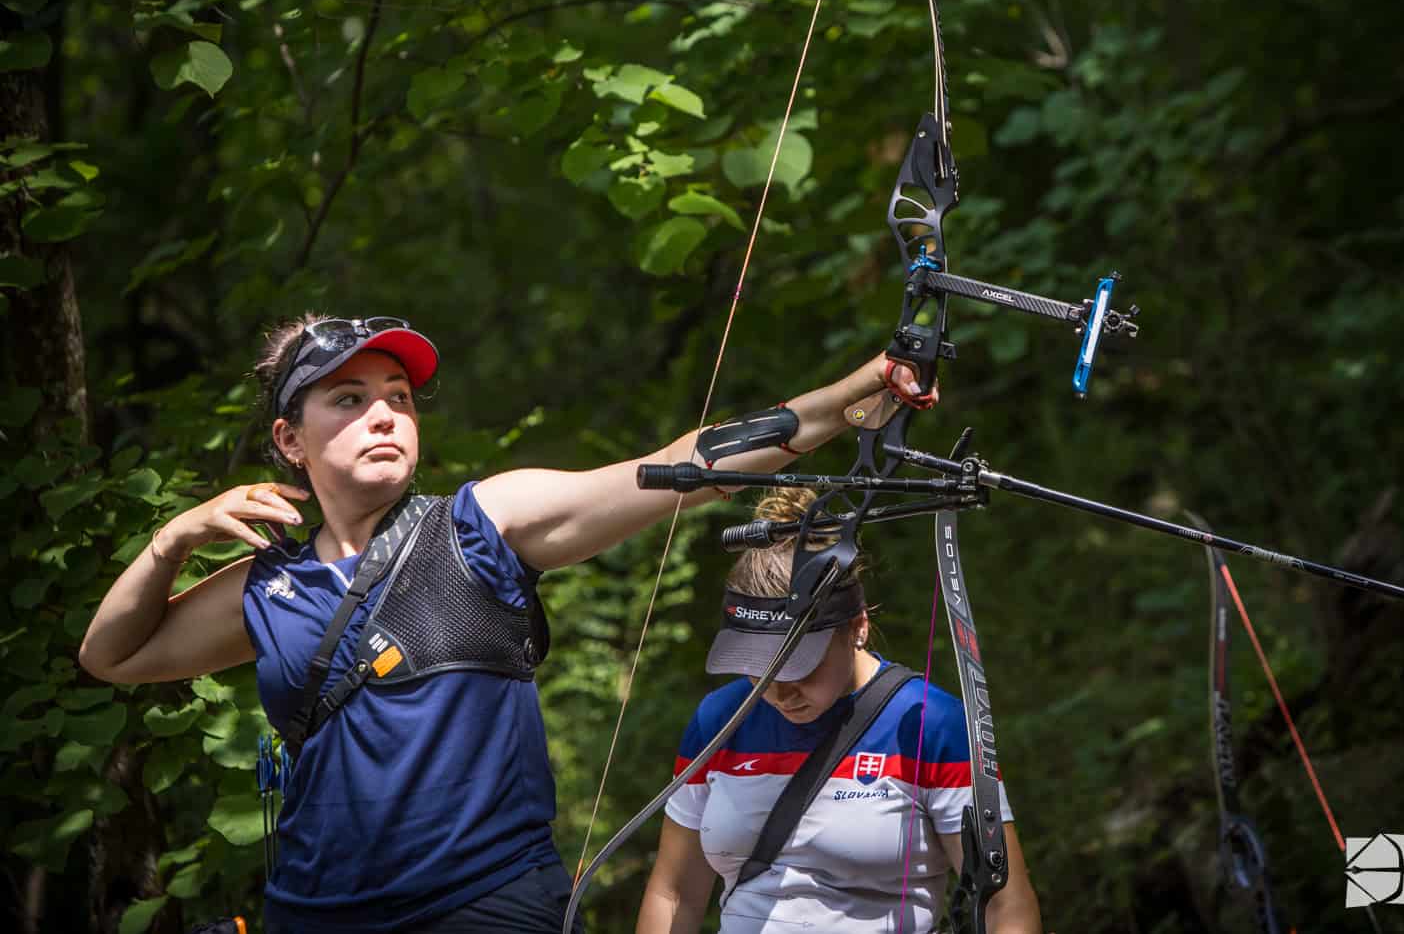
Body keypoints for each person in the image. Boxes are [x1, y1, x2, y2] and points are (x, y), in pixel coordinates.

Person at [78, 313, 926, 934]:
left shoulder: (479, 524)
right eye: (349, 398)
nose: (384, 413)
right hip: (314, 911)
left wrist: (866, 389)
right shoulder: (268, 585)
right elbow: (113, 653)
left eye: (399, 396)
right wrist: (171, 538)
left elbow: (683, 467)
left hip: (484, 906)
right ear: (290, 440)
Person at [637, 488, 1043, 933]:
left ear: (858, 626)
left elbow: (1006, 904)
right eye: (759, 670)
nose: (780, 691)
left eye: (800, 666)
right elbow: (673, 893)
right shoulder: (719, 720)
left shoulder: (928, 724)